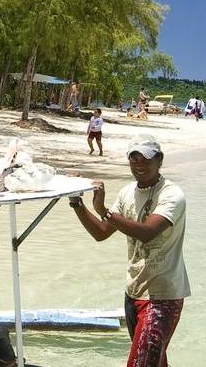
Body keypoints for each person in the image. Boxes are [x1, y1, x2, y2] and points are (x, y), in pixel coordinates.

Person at [70, 137, 188, 367]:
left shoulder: (172, 195)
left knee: (141, 363)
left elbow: (147, 232)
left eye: (145, 159)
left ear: (159, 160)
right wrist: (78, 203)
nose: (139, 164)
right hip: (133, 292)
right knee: (153, 361)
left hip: (162, 296)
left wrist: (104, 210)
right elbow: (102, 232)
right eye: (133, 159)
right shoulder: (127, 193)